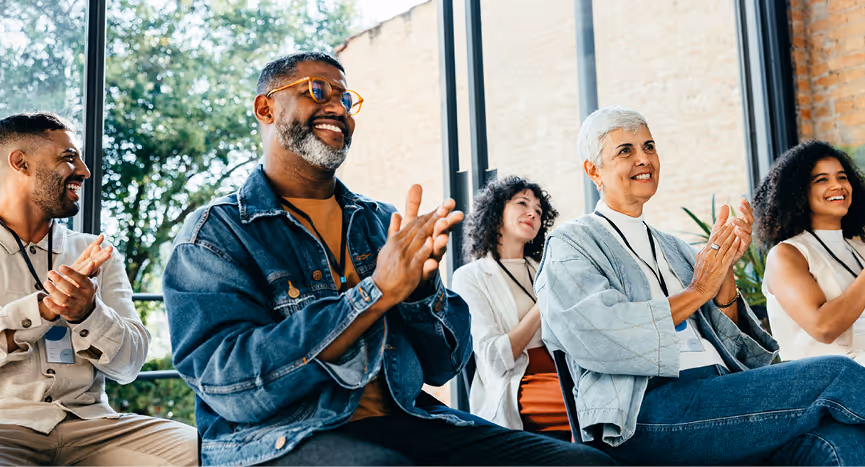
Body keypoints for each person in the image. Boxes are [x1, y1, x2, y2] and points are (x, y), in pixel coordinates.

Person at [162, 51, 615, 466]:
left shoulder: (381, 222)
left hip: (409, 421)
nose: (338, 108)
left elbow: (444, 365)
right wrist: (375, 294)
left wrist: (420, 292)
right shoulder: (216, 234)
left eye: (345, 98)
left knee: (587, 464)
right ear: (265, 109)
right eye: (317, 91)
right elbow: (231, 383)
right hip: (272, 440)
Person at [535, 106, 865, 465]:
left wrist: (724, 274)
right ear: (593, 171)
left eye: (649, 146)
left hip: (717, 394)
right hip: (647, 410)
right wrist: (697, 291)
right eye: (625, 150)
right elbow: (597, 333)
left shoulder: (672, 246)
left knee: (841, 443)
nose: (643, 158)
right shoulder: (571, 243)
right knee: (842, 375)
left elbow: (728, 335)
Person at [0, 112, 197, 466]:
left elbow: (130, 364)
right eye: (68, 158)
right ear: (20, 163)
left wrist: (89, 314)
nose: (84, 172)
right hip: (6, 429)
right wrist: (42, 311)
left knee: (199, 451)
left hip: (93, 427)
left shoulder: (97, 251)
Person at [754, 140, 865, 426]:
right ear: (798, 192)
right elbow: (823, 327)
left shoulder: (861, 248)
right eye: (821, 179)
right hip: (839, 380)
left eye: (842, 177)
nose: (837, 185)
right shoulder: (787, 254)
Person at [451, 176, 569, 440]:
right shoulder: (470, 277)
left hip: (564, 371)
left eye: (539, 211)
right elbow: (494, 359)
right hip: (521, 383)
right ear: (496, 212)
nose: (533, 213)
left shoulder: (543, 270)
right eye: (522, 203)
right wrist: (542, 306)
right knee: (594, 406)